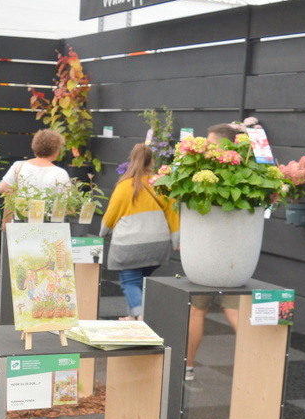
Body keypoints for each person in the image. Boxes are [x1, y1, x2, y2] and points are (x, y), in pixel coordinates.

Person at [182, 123, 246, 379]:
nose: (206, 146)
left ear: (223, 143)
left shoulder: (202, 170)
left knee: (197, 311)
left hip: (206, 252)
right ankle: (256, 366)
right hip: (234, 254)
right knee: (235, 310)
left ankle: (187, 368)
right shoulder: (244, 168)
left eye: (210, 142)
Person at [100, 143, 179, 320]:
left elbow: (111, 214)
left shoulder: (123, 186)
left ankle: (141, 316)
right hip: (157, 245)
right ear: (151, 162)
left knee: (130, 282)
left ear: (132, 160)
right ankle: (131, 316)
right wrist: (176, 239)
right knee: (139, 281)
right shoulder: (161, 184)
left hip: (129, 246)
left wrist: (103, 233)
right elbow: (173, 213)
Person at [0, 128, 70, 200]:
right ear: (56, 151)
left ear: (34, 146)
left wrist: (21, 198)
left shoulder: (19, 166)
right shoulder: (60, 173)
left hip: (22, 206)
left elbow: (2, 189)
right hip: (48, 207)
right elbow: (66, 200)